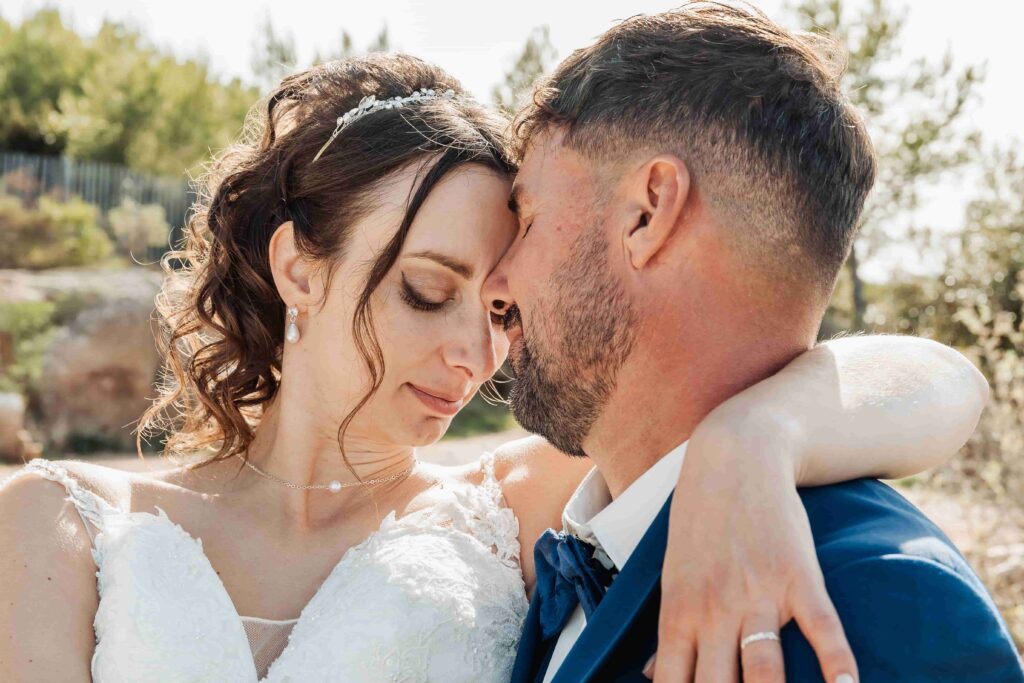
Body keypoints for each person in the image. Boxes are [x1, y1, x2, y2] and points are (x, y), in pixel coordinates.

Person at [0, 52, 992, 683]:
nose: (477, 357)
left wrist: (757, 433)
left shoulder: (520, 503)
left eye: (500, 310)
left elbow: (946, 384)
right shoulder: (62, 522)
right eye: (427, 291)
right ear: (299, 267)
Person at [487, 5, 1024, 683]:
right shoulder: (556, 543)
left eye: (527, 219)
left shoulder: (876, 602)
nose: (495, 286)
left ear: (648, 212)